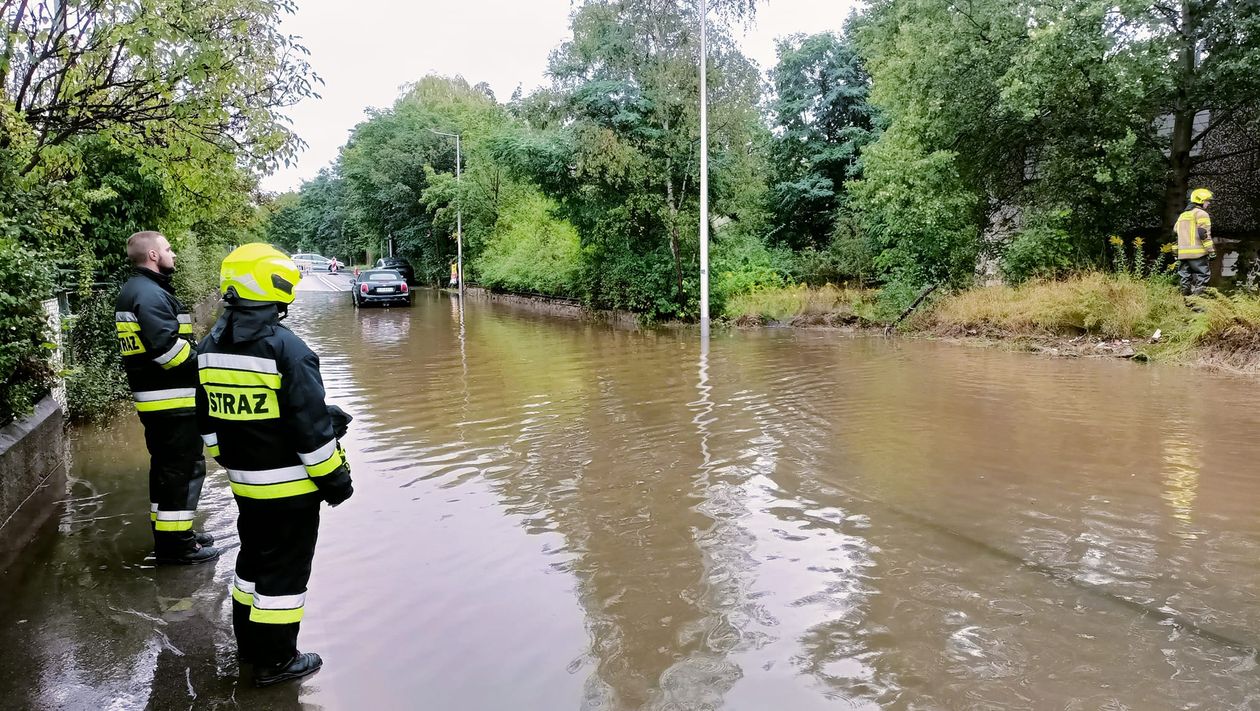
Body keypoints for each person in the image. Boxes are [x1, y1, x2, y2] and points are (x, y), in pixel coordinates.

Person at [196, 243, 354, 687]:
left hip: (246, 487)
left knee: (251, 568)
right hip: (290, 493)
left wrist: (232, 460)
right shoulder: (289, 350)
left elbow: (208, 423)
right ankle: (275, 662)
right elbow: (311, 436)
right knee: (283, 579)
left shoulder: (209, 345)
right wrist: (338, 484)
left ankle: (250, 649)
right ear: (273, 285)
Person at [114, 231, 220, 565]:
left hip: (158, 400)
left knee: (167, 470)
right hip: (171, 401)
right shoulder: (149, 295)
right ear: (154, 256)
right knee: (182, 471)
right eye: (168, 249)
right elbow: (167, 353)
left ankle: (174, 534)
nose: (174, 253)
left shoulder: (141, 290)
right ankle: (177, 547)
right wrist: (206, 357)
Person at [1175, 188, 1216, 296]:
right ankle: (1199, 305)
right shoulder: (1201, 214)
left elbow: (1176, 231)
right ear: (1201, 201)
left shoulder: (1183, 215)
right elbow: (1203, 234)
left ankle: (1185, 303)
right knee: (1202, 277)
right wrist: (1211, 251)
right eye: (1207, 200)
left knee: (1185, 278)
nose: (1208, 203)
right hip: (1197, 253)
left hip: (1183, 254)